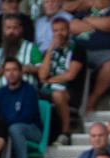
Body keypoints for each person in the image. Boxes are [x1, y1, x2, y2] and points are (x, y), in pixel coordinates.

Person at [71, 0, 110, 113]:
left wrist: (87, 21)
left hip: (107, 53)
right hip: (80, 51)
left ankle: (92, 100)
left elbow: (108, 25)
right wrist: (98, 25)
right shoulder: (83, 13)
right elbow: (73, 27)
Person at [37, 15, 85, 146]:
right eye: (55, 30)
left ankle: (65, 132)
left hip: (69, 90)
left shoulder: (78, 48)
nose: (59, 33)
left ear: (69, 31)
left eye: (62, 30)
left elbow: (70, 75)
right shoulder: (48, 51)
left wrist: (50, 81)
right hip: (47, 90)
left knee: (57, 95)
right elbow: (42, 76)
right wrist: (50, 50)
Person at [0, 58, 41, 158]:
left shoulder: (29, 90)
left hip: (32, 129)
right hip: (9, 128)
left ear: (21, 72)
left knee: (15, 128)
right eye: (7, 70)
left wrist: (5, 125)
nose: (11, 73)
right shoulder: (1, 93)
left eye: (14, 70)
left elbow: (27, 116)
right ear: (4, 73)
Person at [0, 14, 42, 88]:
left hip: (26, 91)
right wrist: (7, 69)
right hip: (2, 92)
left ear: (21, 29)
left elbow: (42, 69)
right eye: (8, 28)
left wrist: (27, 69)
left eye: (15, 28)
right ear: (3, 30)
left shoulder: (31, 48)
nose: (11, 31)